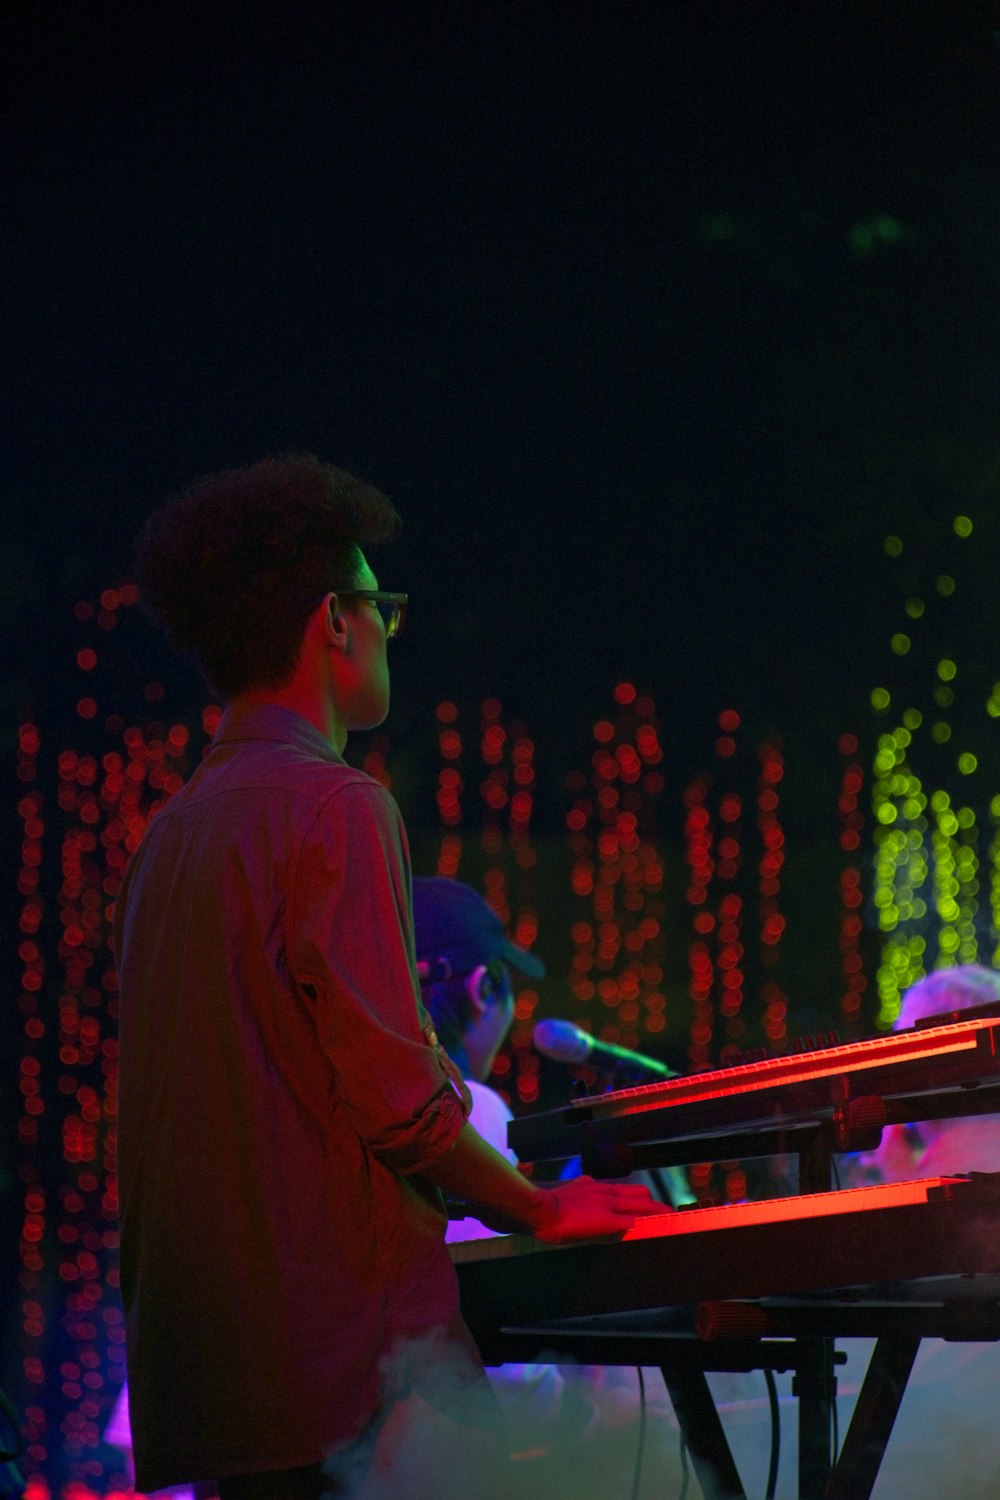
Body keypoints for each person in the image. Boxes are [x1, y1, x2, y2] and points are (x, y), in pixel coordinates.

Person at [115, 454, 660, 1500]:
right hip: (353, 1368)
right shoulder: (336, 805)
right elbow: (395, 1100)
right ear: (334, 621)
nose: (385, 632)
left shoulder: (172, 835)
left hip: (216, 1379)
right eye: (381, 607)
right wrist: (539, 1209)